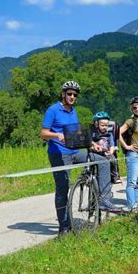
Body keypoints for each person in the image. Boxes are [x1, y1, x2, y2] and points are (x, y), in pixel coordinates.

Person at [40, 81, 121, 236]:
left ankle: (104, 199)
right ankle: (64, 227)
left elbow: (77, 133)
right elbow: (43, 133)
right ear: (63, 94)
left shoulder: (73, 111)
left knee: (103, 160)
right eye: (69, 94)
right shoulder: (53, 110)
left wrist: (92, 144)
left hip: (74, 151)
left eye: (75, 95)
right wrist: (57, 135)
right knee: (63, 188)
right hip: (59, 154)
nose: (72, 97)